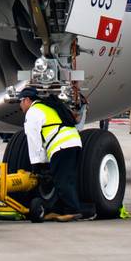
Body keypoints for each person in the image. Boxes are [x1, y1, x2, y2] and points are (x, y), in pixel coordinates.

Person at [18, 86, 83, 220]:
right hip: (74, 142)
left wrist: (36, 164)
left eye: (21, 101)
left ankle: (72, 210)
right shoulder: (47, 107)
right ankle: (59, 210)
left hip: (62, 146)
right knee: (67, 179)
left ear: (27, 100)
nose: (20, 105)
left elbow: (34, 140)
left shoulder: (33, 112)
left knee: (62, 180)